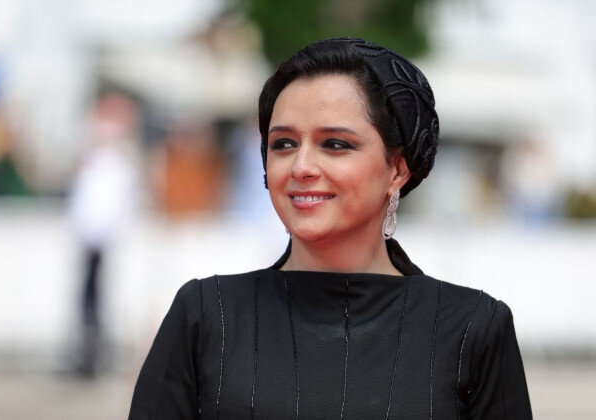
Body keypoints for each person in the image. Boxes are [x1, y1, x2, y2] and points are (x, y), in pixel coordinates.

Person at [128, 37, 532, 419]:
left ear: (397, 169)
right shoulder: (206, 315)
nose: (301, 167)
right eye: (283, 144)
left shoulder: (472, 328)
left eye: (335, 144)